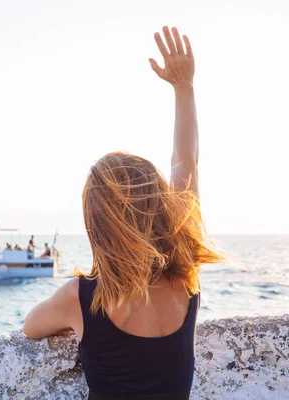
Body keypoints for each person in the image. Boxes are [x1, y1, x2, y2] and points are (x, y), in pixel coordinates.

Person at [22, 27, 224, 400]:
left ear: (97, 225)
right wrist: (185, 87)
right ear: (161, 205)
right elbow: (185, 161)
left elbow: (30, 328)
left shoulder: (81, 298)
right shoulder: (187, 274)